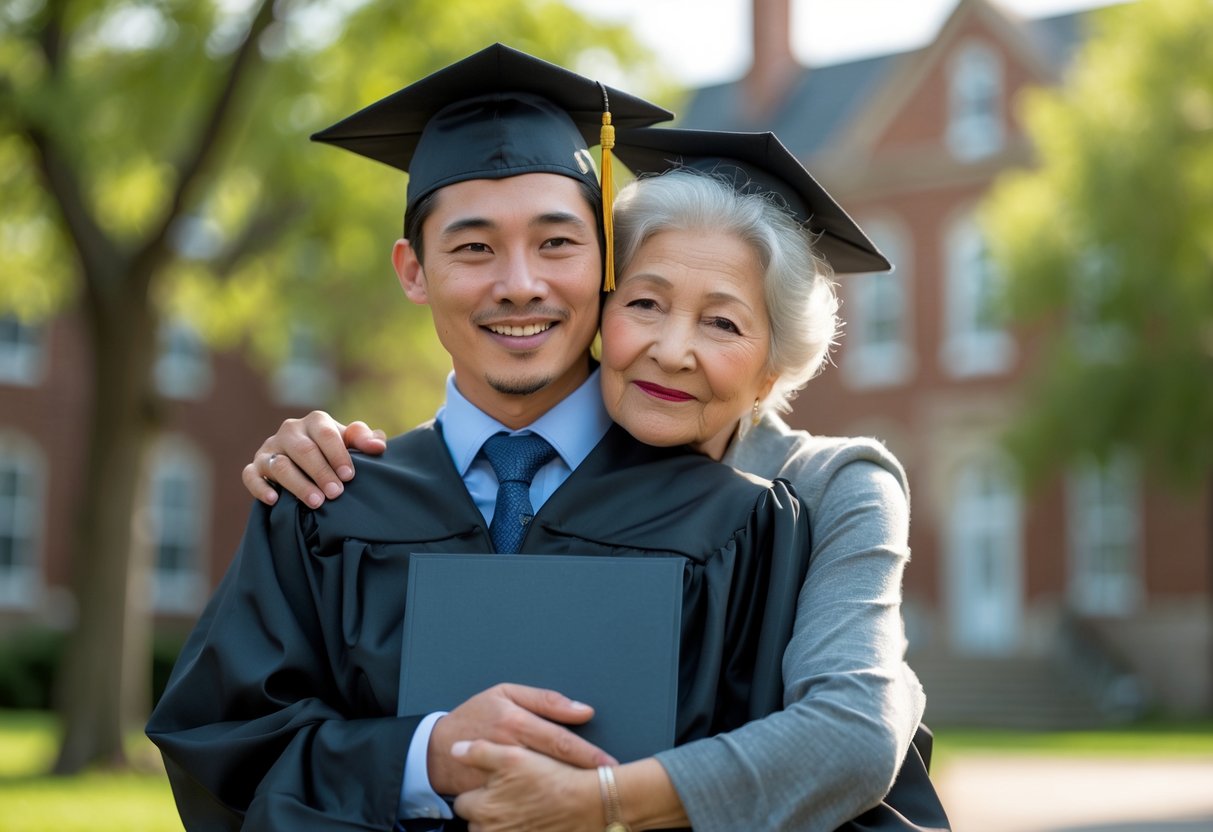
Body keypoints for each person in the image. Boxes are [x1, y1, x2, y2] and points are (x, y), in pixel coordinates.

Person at [147, 46, 920, 832]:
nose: (520, 282)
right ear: (413, 271)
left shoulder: (754, 522)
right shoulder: (322, 501)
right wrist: (424, 759)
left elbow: (834, 760)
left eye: (556, 242)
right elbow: (225, 755)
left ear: (600, 264)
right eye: (474, 247)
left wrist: (603, 806)